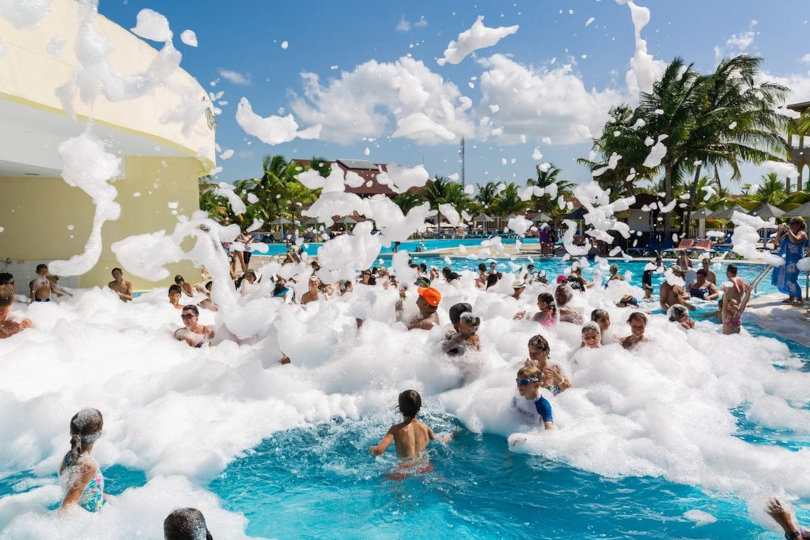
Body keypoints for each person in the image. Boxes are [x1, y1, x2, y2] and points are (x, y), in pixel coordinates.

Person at [369, 389, 454, 460]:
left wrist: (371, 448)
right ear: (420, 408)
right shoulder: (425, 428)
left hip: (406, 468)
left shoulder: (395, 429)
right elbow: (440, 440)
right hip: (424, 467)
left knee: (384, 480)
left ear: (399, 408)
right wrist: (451, 436)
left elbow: (378, 451)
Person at [59, 408, 106, 512]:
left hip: (84, 509)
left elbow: (64, 477)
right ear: (98, 434)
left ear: (72, 433)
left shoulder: (69, 456)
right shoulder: (89, 466)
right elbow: (67, 507)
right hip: (90, 519)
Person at [772, 217, 809, 306]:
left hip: (794, 261)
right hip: (785, 260)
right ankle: (791, 297)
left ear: (799, 225)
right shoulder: (789, 233)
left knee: (791, 279)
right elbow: (777, 242)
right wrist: (779, 232)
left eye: (793, 224)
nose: (791, 225)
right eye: (790, 223)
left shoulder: (802, 233)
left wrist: (788, 230)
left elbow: (795, 240)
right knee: (785, 278)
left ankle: (799, 298)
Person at [511, 365, 555, 430]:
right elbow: (510, 415)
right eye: (518, 381)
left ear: (536, 385)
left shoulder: (543, 405)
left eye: (524, 382)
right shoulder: (516, 398)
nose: (519, 385)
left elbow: (549, 430)